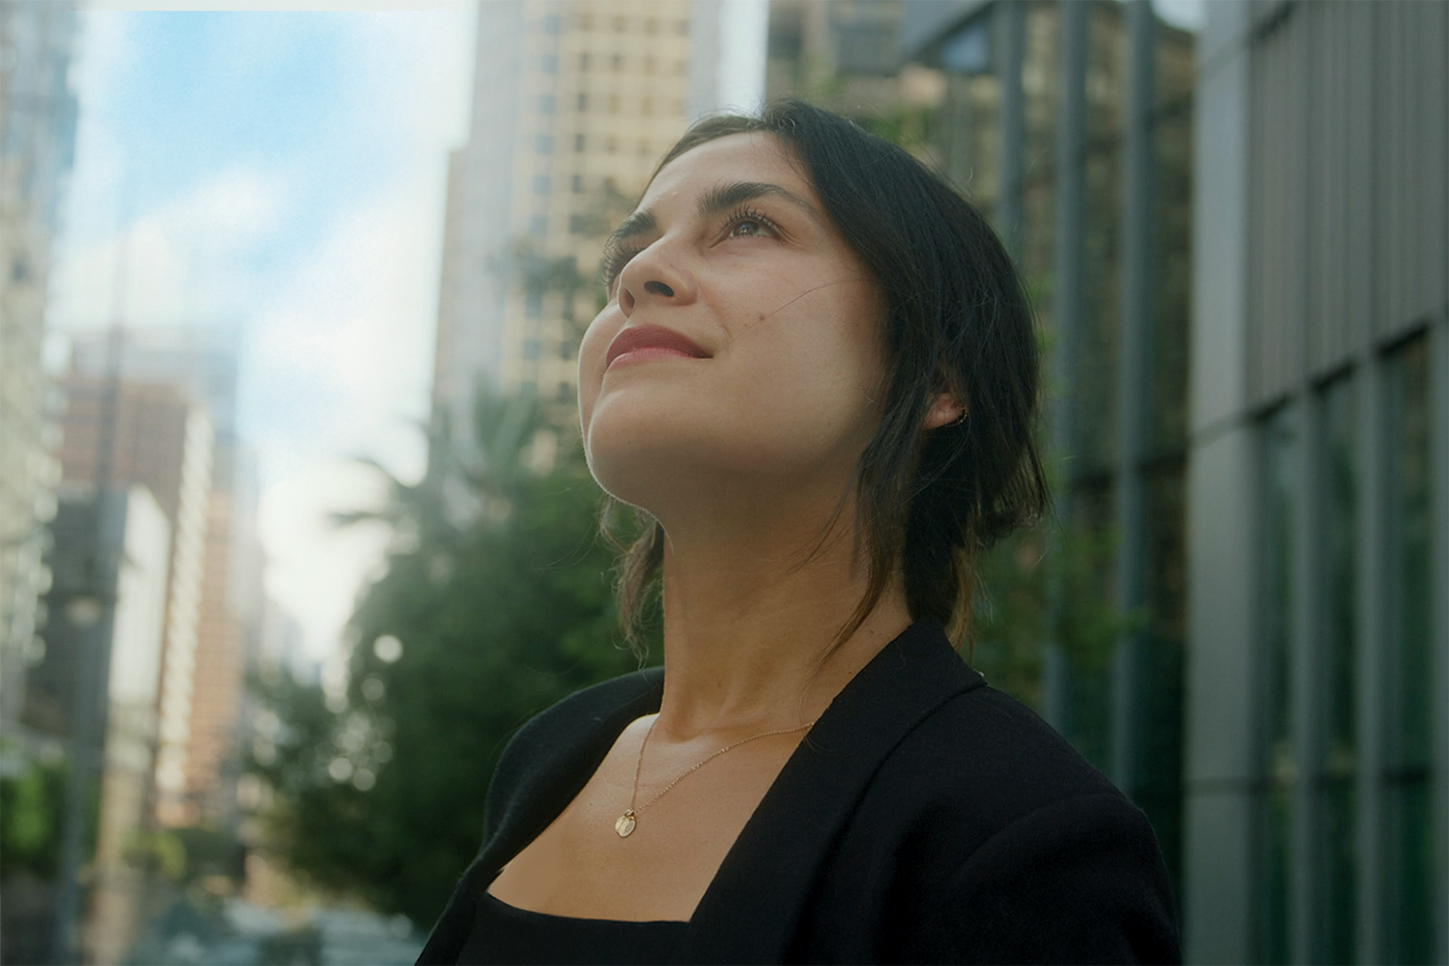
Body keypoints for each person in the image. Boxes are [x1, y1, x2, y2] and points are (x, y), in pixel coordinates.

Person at [417, 99, 1180, 965]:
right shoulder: (552, 755)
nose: (639, 275)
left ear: (935, 376)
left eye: (747, 225)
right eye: (625, 257)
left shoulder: (1020, 839)